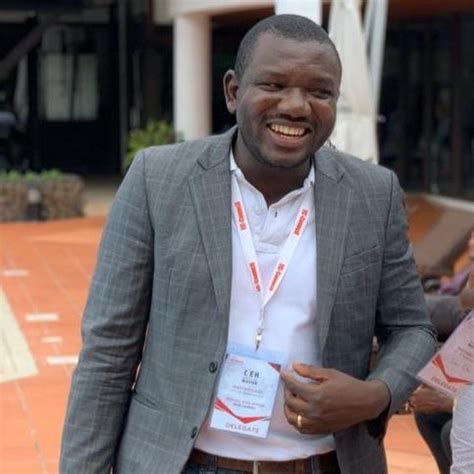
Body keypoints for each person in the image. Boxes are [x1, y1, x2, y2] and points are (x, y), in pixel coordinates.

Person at [60, 15, 435, 474]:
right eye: (274, 85)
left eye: (319, 92)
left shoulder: (373, 194)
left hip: (322, 464)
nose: (296, 106)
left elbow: (412, 328)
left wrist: (374, 396)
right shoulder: (157, 180)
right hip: (183, 463)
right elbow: (107, 352)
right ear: (233, 91)